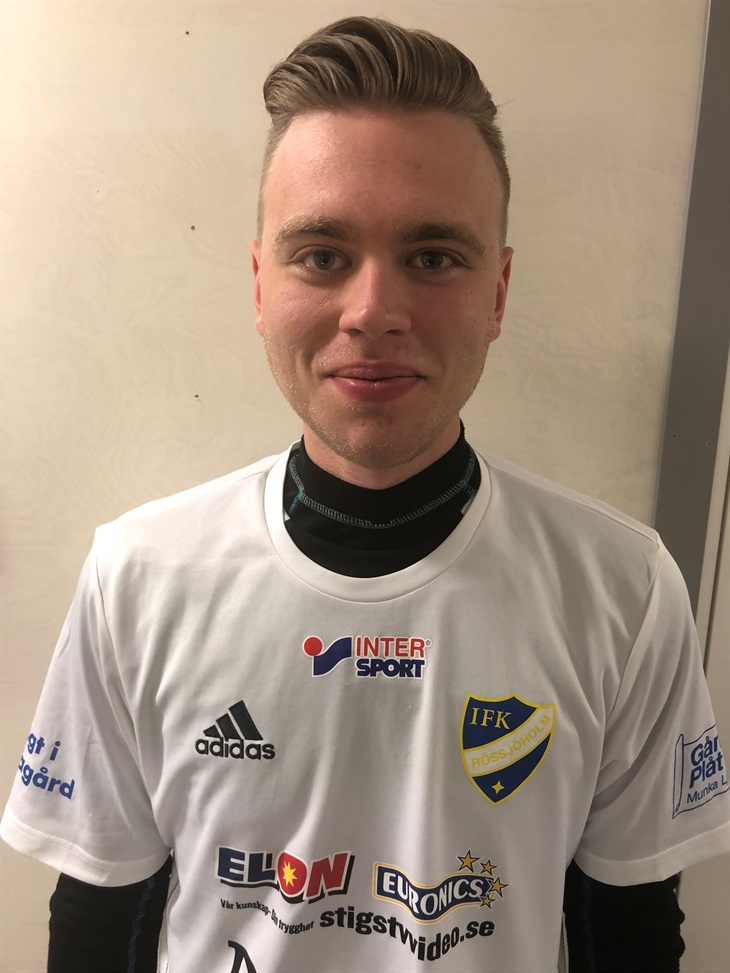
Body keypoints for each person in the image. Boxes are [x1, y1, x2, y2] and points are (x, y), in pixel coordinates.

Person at [2, 15, 728, 973]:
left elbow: (629, 936)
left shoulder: (624, 589)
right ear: (260, 284)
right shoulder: (136, 576)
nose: (374, 310)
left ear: (498, 291)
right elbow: (99, 928)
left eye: (433, 257)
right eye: (322, 254)